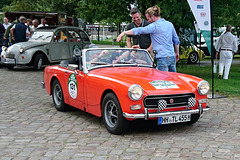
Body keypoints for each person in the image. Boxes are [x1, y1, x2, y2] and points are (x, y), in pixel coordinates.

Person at [117, 5, 180, 72]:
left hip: (162, 58)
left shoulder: (154, 26)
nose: (148, 21)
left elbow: (139, 30)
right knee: (173, 80)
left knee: (164, 81)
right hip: (172, 57)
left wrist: (124, 33)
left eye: (148, 19)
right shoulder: (169, 24)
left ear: (152, 16)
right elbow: (176, 41)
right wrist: (177, 53)